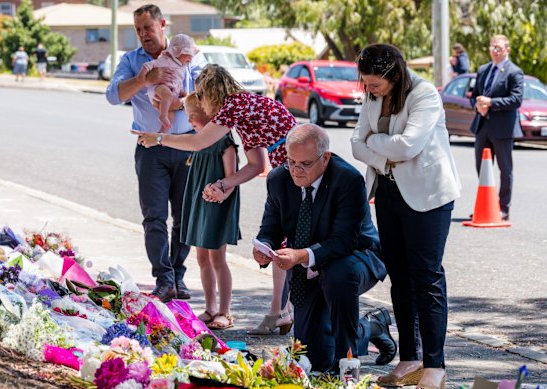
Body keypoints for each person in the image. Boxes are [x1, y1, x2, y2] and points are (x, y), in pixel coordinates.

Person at [132, 63, 297, 334]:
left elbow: (198, 142)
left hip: (294, 166)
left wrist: (159, 139)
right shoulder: (245, 112)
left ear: (210, 92)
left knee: (289, 240)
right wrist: (223, 184)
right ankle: (279, 311)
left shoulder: (235, 105)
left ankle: (283, 310)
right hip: (283, 168)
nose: (204, 107)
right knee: (282, 241)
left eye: (203, 96)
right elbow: (255, 165)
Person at [351, 44, 461, 389]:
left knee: (426, 277)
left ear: (394, 75)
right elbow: (356, 143)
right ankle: (410, 358)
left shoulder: (424, 94)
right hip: (387, 190)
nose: (370, 91)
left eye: (376, 85)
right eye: (366, 85)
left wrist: (377, 142)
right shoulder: (372, 96)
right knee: (399, 277)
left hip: (428, 195)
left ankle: (435, 365)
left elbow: (409, 146)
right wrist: (384, 154)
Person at [253, 123, 395, 373]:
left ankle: (346, 364)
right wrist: (264, 247)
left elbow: (345, 240)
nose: (296, 170)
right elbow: (271, 228)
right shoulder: (279, 178)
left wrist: (301, 255)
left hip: (355, 256)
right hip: (306, 267)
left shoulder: (347, 179)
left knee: (338, 274)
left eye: (304, 164)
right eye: (291, 161)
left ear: (325, 158)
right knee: (313, 357)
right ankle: (372, 327)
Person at [106, 4, 207, 303]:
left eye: (148, 28)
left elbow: (207, 93)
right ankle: (163, 279)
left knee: (185, 216)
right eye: (138, 30)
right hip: (150, 148)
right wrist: (142, 81)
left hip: (187, 145)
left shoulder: (188, 52)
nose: (143, 35)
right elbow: (113, 95)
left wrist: (175, 105)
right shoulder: (132, 60)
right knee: (154, 217)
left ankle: (178, 275)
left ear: (162, 25)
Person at [180, 92, 240, 330]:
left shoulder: (225, 143)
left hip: (217, 206)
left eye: (192, 116)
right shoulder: (198, 142)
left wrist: (221, 193)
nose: (190, 121)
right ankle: (210, 307)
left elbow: (231, 178)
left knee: (217, 258)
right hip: (199, 203)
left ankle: (225, 311)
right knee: (202, 257)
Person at [470, 34, 523, 221]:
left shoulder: (514, 72)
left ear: (507, 50)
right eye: (492, 47)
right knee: (481, 167)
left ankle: (503, 208)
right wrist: (477, 105)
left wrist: (491, 102)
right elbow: (474, 95)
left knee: (505, 169)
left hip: (503, 129)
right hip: (482, 125)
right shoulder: (483, 70)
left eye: (498, 48)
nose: (494, 51)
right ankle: (487, 205)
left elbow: (516, 100)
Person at [144, 34, 198, 131]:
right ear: (176, 52)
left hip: (171, 91)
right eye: (188, 55)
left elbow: (177, 82)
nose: (191, 59)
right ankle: (162, 115)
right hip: (159, 88)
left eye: (192, 56)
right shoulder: (166, 60)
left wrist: (182, 94)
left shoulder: (182, 66)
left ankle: (161, 134)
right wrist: (142, 77)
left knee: (171, 115)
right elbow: (148, 65)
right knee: (168, 97)